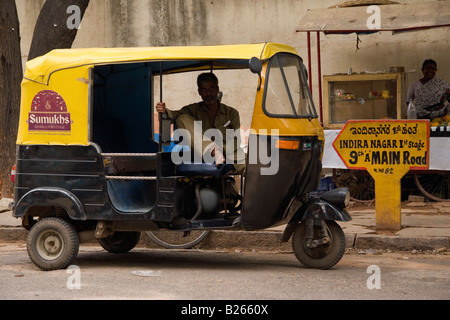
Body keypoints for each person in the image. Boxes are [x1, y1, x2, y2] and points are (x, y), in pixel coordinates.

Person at [156, 72, 245, 173]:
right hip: (199, 153)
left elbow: (235, 141)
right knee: (182, 118)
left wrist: (221, 149)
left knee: (253, 166)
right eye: (204, 90)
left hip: (228, 152)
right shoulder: (192, 109)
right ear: (199, 92)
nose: (208, 94)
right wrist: (163, 111)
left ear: (217, 89)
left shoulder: (232, 113)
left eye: (211, 89)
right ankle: (213, 150)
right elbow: (172, 116)